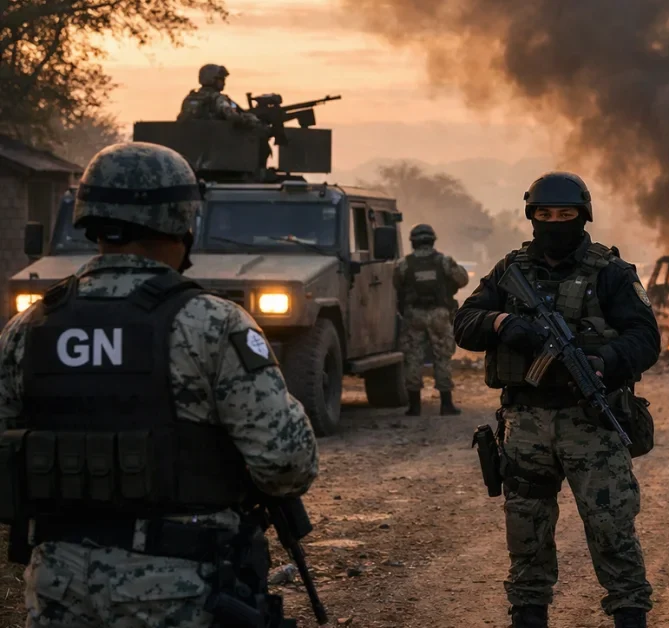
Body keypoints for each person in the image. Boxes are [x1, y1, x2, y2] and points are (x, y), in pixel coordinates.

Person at [0, 142, 320, 627]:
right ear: (183, 221)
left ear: (89, 217)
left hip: (57, 590)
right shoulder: (209, 323)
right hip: (178, 590)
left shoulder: (30, 326)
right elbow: (287, 465)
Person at [453, 172, 659, 628]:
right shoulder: (511, 271)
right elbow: (464, 322)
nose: (554, 224)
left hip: (591, 422)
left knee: (611, 528)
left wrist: (602, 361)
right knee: (526, 529)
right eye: (545, 215)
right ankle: (528, 615)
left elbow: (646, 339)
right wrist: (503, 323)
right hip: (526, 423)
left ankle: (630, 614)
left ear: (582, 217)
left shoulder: (612, 274)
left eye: (565, 215)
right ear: (531, 217)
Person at [395, 223, 470, 416]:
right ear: (432, 240)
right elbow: (462, 279)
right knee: (442, 357)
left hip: (414, 315)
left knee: (413, 358)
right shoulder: (444, 262)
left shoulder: (405, 264)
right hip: (439, 314)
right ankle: (446, 405)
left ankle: (414, 407)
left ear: (413, 242)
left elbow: (397, 285)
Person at [177, 64, 265, 129]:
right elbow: (233, 116)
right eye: (221, 79)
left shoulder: (190, 97)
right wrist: (251, 121)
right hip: (216, 142)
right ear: (212, 79)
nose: (224, 83)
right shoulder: (219, 99)